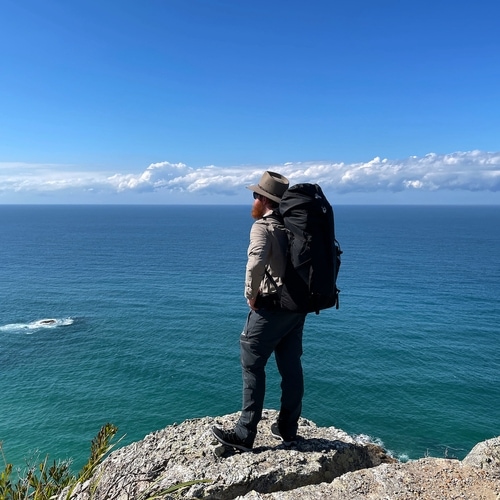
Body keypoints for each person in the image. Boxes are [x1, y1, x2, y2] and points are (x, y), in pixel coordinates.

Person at [212, 171, 307, 451]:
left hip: (270, 308)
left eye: (255, 195)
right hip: (296, 308)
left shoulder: (263, 227)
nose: (252, 200)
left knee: (252, 365)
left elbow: (255, 263)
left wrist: (250, 296)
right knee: (291, 368)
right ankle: (288, 429)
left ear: (263, 199)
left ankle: (244, 434)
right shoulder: (293, 226)